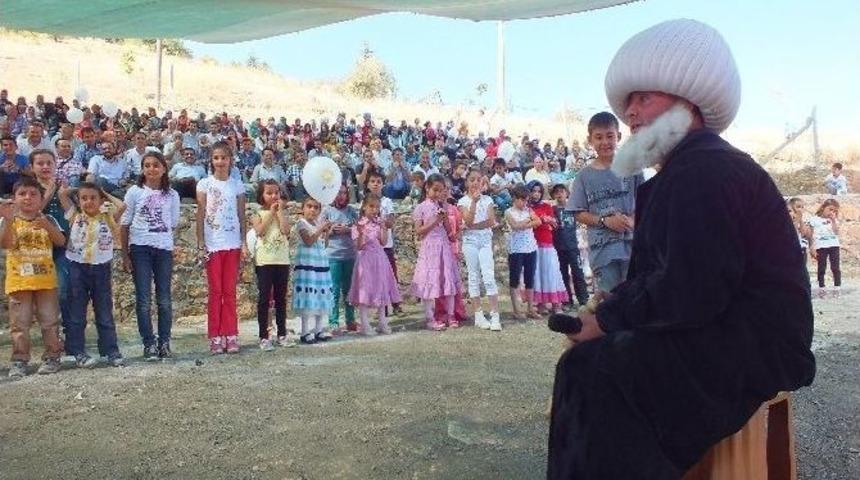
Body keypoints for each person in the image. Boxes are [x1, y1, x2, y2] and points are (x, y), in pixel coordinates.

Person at [547, 19, 815, 479]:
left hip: (753, 339)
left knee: (599, 372)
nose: (629, 114)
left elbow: (694, 290)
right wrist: (617, 304)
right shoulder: (681, 172)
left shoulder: (707, 171)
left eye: (643, 97)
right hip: (723, 322)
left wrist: (607, 322)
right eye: (627, 102)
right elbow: (666, 277)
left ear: (687, 104)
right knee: (590, 363)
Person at [567, 112, 642, 293]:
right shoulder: (583, 177)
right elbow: (578, 212)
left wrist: (633, 219)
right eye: (598, 137)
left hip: (633, 247)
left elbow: (647, 201)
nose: (605, 142)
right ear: (590, 140)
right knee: (609, 301)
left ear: (619, 137)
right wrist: (604, 221)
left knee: (635, 297)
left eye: (610, 136)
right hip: (603, 252)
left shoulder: (633, 168)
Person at [1, 177, 66, 377]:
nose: (27, 198)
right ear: (14, 198)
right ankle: (20, 360)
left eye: (33, 194)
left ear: (41, 198)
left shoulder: (49, 219)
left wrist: (46, 226)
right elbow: (6, 244)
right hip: (19, 281)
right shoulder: (8, 220)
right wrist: (9, 220)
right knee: (19, 324)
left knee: (49, 321)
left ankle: (52, 357)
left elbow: (61, 241)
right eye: (22, 194)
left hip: (45, 281)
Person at [58, 181, 126, 368]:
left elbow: (122, 205)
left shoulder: (108, 217)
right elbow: (63, 195)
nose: (88, 202)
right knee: (77, 313)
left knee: (104, 312)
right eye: (84, 198)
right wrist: (78, 189)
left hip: (100, 268)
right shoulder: (74, 216)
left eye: (93, 198)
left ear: (100, 200)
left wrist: (102, 190)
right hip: (77, 269)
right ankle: (78, 351)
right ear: (79, 201)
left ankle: (110, 350)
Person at [120, 151, 181, 360]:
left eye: (156, 165)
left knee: (164, 298)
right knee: (144, 298)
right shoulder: (134, 192)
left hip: (163, 249)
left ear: (163, 168)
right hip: (140, 249)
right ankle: (149, 343)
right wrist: (125, 255)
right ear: (142, 169)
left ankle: (164, 341)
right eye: (147, 165)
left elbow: (172, 223)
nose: (151, 169)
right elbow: (125, 223)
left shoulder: (172, 195)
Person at [196, 141, 248, 355]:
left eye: (224, 158)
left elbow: (241, 215)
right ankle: (215, 336)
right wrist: (200, 242)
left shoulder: (237, 185)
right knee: (215, 292)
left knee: (230, 292)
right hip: (213, 244)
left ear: (230, 160)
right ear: (211, 160)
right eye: (216, 158)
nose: (220, 162)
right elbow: (200, 214)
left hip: (232, 243)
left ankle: (231, 334)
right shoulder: (204, 184)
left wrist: (244, 241)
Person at [411, 173, 461, 331]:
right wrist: (435, 221)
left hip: (443, 246)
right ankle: (429, 317)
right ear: (427, 188)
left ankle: (450, 314)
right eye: (435, 190)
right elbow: (419, 232)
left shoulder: (442, 207)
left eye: (441, 191)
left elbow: (449, 232)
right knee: (429, 281)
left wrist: (454, 233)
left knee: (447, 279)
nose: (438, 194)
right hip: (429, 247)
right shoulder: (420, 208)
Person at [348, 193, 402, 335]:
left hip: (379, 259)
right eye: (371, 206)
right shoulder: (358, 225)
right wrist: (360, 233)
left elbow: (383, 242)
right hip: (365, 261)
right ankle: (365, 324)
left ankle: (382, 322)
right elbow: (358, 246)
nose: (374, 210)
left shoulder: (378, 224)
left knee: (381, 288)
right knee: (365, 290)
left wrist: (384, 228)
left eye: (377, 207)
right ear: (364, 207)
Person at [250, 180, 292, 351]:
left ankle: (282, 333)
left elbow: (285, 230)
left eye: (276, 192)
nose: (274, 196)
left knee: (281, 298)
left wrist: (280, 212)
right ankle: (264, 335)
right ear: (262, 195)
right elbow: (260, 231)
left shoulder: (282, 212)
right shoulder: (257, 214)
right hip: (265, 261)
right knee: (264, 299)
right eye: (269, 193)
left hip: (282, 260)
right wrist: (270, 214)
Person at [458, 170, 501, 331]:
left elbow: (490, 221)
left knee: (489, 276)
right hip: (470, 241)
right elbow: (467, 219)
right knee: (474, 276)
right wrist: (474, 203)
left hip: (484, 240)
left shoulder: (488, 199)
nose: (475, 182)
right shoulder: (462, 201)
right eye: (472, 180)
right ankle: (478, 315)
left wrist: (471, 226)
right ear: (467, 182)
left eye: (478, 180)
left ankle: (495, 315)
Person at [292, 196, 335, 344]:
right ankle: (305, 331)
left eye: (316, 207)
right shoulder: (301, 223)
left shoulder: (318, 224)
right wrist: (320, 229)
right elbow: (309, 241)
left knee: (320, 294)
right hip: (307, 265)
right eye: (309, 206)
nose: (312, 210)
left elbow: (324, 244)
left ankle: (319, 329)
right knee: (307, 295)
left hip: (320, 264)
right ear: (303, 208)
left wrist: (327, 232)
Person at [323, 184, 359, 333]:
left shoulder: (352, 211)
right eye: (338, 193)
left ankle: (350, 320)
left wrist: (348, 229)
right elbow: (320, 234)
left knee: (349, 289)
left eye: (344, 193)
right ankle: (333, 321)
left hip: (350, 255)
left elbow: (360, 229)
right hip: (333, 256)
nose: (341, 196)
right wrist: (331, 231)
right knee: (334, 290)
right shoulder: (327, 211)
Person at [366, 171, 403, 315]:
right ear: (368, 184)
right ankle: (382, 306)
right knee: (376, 277)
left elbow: (391, 222)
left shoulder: (387, 201)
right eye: (373, 181)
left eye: (378, 182)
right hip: (372, 246)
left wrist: (380, 219)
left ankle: (396, 303)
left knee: (391, 275)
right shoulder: (366, 203)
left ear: (383, 184)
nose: (375, 184)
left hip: (386, 245)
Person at [527, 181, 567, 314]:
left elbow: (554, 223)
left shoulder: (546, 206)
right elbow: (530, 223)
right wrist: (542, 220)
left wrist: (546, 220)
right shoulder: (526, 207)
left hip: (547, 242)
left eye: (539, 191)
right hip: (533, 244)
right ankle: (541, 304)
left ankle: (556, 304)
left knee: (551, 272)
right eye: (533, 191)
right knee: (538, 274)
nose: (536, 194)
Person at [433, 181, 468, 327]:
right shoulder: (433, 208)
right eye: (441, 189)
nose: (444, 191)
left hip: (451, 247)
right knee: (439, 281)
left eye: (446, 189)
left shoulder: (453, 209)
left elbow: (459, 229)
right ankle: (441, 313)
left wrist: (457, 245)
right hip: (437, 248)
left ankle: (454, 311)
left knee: (451, 281)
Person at [550, 184, 590, 308]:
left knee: (578, 272)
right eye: (556, 192)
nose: (559, 194)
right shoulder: (553, 210)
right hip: (558, 247)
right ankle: (567, 300)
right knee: (562, 274)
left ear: (567, 193)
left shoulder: (573, 208)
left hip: (573, 246)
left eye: (562, 191)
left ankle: (583, 299)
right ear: (553, 195)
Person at [504, 185, 541, 319]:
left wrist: (523, 224)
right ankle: (516, 309)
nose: (524, 203)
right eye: (522, 200)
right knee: (515, 279)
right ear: (515, 198)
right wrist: (527, 222)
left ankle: (530, 308)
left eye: (526, 200)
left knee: (529, 278)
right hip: (516, 249)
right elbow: (515, 226)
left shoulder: (529, 210)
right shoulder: (508, 212)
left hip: (530, 247)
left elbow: (538, 221)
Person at [809, 198, 841, 298]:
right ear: (823, 207)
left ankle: (837, 286)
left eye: (834, 210)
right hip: (821, 245)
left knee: (835, 267)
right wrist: (812, 247)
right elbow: (810, 235)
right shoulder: (814, 219)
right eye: (830, 209)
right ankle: (821, 287)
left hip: (834, 245)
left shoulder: (834, 220)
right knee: (822, 267)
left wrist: (833, 220)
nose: (832, 212)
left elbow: (836, 232)